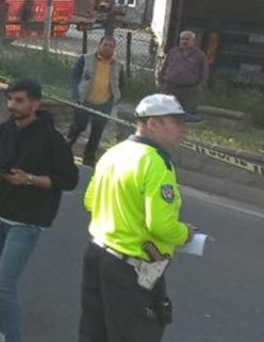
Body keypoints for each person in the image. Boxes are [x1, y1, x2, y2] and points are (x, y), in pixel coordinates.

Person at [0, 79, 79, 342]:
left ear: (35, 103)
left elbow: (69, 179)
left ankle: (12, 337)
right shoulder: (3, 131)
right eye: (10, 100)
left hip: (27, 221)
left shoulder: (51, 139)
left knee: (5, 283)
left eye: (19, 101)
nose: (12, 106)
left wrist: (30, 179)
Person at [79, 94, 199, 342]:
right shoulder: (156, 162)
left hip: (98, 255)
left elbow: (90, 201)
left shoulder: (114, 152)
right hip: (130, 268)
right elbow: (161, 225)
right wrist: (185, 233)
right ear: (152, 124)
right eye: (176, 122)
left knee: (94, 334)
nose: (183, 129)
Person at [68, 35, 123, 166]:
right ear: (99, 45)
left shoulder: (118, 65)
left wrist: (117, 98)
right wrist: (75, 95)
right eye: (105, 45)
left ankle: (89, 158)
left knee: (97, 132)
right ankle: (65, 149)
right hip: (85, 101)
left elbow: (121, 84)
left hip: (104, 104)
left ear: (114, 49)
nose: (108, 48)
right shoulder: (86, 59)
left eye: (111, 46)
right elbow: (74, 77)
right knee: (78, 127)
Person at [157, 31, 209, 114]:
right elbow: (164, 67)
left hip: (188, 90)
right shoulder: (172, 52)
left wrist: (200, 86)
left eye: (187, 39)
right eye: (182, 39)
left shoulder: (200, 56)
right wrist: (160, 81)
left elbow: (204, 72)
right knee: (165, 111)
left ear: (193, 41)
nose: (184, 41)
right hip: (170, 87)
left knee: (185, 113)